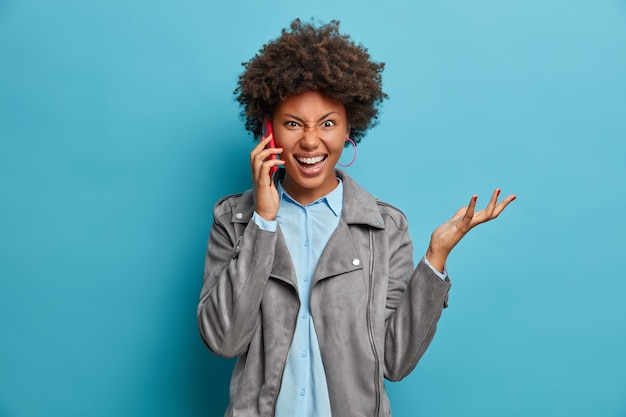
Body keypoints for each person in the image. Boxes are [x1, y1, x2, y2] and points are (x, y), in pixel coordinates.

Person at [197, 18, 515, 417]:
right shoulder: (234, 220)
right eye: (293, 123)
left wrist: (435, 258)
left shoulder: (386, 228)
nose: (311, 140)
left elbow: (395, 362)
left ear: (350, 126)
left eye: (327, 123)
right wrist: (262, 220)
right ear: (269, 130)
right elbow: (223, 340)